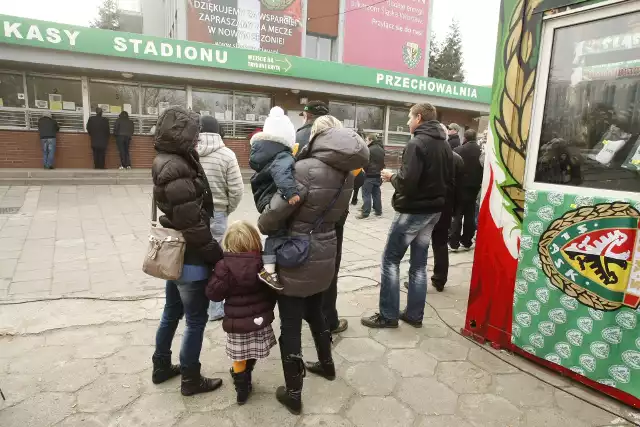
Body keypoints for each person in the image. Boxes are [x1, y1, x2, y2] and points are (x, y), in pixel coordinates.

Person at [258, 115, 368, 414]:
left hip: (297, 253)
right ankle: (326, 364)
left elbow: (272, 218)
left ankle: (293, 393)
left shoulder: (304, 170)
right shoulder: (348, 173)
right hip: (326, 249)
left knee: (291, 323)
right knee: (317, 312)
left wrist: (264, 219)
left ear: (317, 138)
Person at [150, 106, 224, 397]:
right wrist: (216, 256)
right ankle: (191, 378)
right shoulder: (176, 166)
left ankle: (161, 367)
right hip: (190, 256)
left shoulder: (171, 159)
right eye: (194, 136)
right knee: (195, 319)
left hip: (178, 251)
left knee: (171, 312)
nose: (197, 141)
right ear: (182, 136)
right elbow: (191, 223)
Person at [361, 103, 452, 329]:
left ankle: (388, 316)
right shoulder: (444, 144)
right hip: (433, 212)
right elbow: (449, 177)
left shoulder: (417, 143)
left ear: (419, 118)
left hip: (413, 211)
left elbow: (407, 183)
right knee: (418, 264)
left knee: (390, 260)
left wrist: (392, 177)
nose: (408, 122)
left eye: (410, 118)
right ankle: (414, 314)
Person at [205, 220, 277, 405]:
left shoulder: (224, 265)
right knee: (252, 350)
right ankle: (247, 375)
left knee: (239, 357)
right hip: (259, 320)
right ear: (254, 239)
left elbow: (213, 294)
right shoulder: (262, 262)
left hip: (236, 324)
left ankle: (242, 390)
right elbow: (272, 289)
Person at [196, 115, 244, 322]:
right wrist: (226, 209)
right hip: (217, 213)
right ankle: (215, 309)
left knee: (193, 257)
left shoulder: (189, 153)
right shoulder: (227, 155)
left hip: (191, 214)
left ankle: (193, 306)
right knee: (216, 259)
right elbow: (236, 190)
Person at [249, 106, 299, 291]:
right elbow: (281, 173)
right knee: (278, 233)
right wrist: (290, 192)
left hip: (262, 198)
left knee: (273, 234)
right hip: (272, 198)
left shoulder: (265, 153)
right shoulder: (283, 154)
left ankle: (269, 268)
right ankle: (268, 270)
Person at [431, 123, 465, 292]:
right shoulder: (456, 158)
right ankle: (439, 279)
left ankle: (418, 279)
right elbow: (460, 189)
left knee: (421, 244)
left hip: (430, 206)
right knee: (441, 243)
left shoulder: (433, 156)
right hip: (446, 207)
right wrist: (456, 210)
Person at [449, 129, 483, 251]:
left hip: (459, 187)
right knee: (470, 214)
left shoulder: (458, 150)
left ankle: (454, 242)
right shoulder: (481, 151)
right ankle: (467, 240)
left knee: (457, 214)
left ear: (465, 138)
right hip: (474, 187)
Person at [357, 133, 385, 219]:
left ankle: (365, 213)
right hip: (378, 175)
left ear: (371, 140)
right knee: (376, 194)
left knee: (366, 194)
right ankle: (378, 211)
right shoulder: (381, 149)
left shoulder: (369, 149)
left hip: (369, 175)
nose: (365, 142)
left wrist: (364, 169)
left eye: (366, 140)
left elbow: (365, 162)